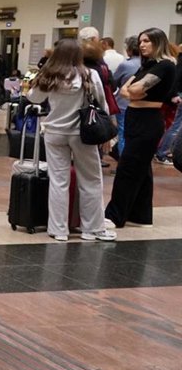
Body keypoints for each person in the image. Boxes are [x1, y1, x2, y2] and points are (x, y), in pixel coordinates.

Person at [26, 39, 114, 242]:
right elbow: (102, 103)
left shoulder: (49, 75)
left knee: (58, 181)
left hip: (54, 133)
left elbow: (34, 98)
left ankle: (59, 230)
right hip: (82, 133)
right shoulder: (88, 74)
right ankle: (92, 229)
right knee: (91, 180)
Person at [105, 28, 177, 228]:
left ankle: (114, 216)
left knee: (127, 168)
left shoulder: (165, 66)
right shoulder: (148, 66)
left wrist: (133, 90)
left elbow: (134, 89)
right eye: (140, 41)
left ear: (158, 42)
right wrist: (133, 91)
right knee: (142, 169)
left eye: (147, 41)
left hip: (148, 120)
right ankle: (140, 216)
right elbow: (125, 89)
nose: (142, 45)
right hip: (134, 117)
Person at [112, 36, 141, 158]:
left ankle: (123, 161)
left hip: (124, 103)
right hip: (142, 104)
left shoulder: (126, 65)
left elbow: (114, 82)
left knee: (123, 133)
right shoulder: (150, 64)